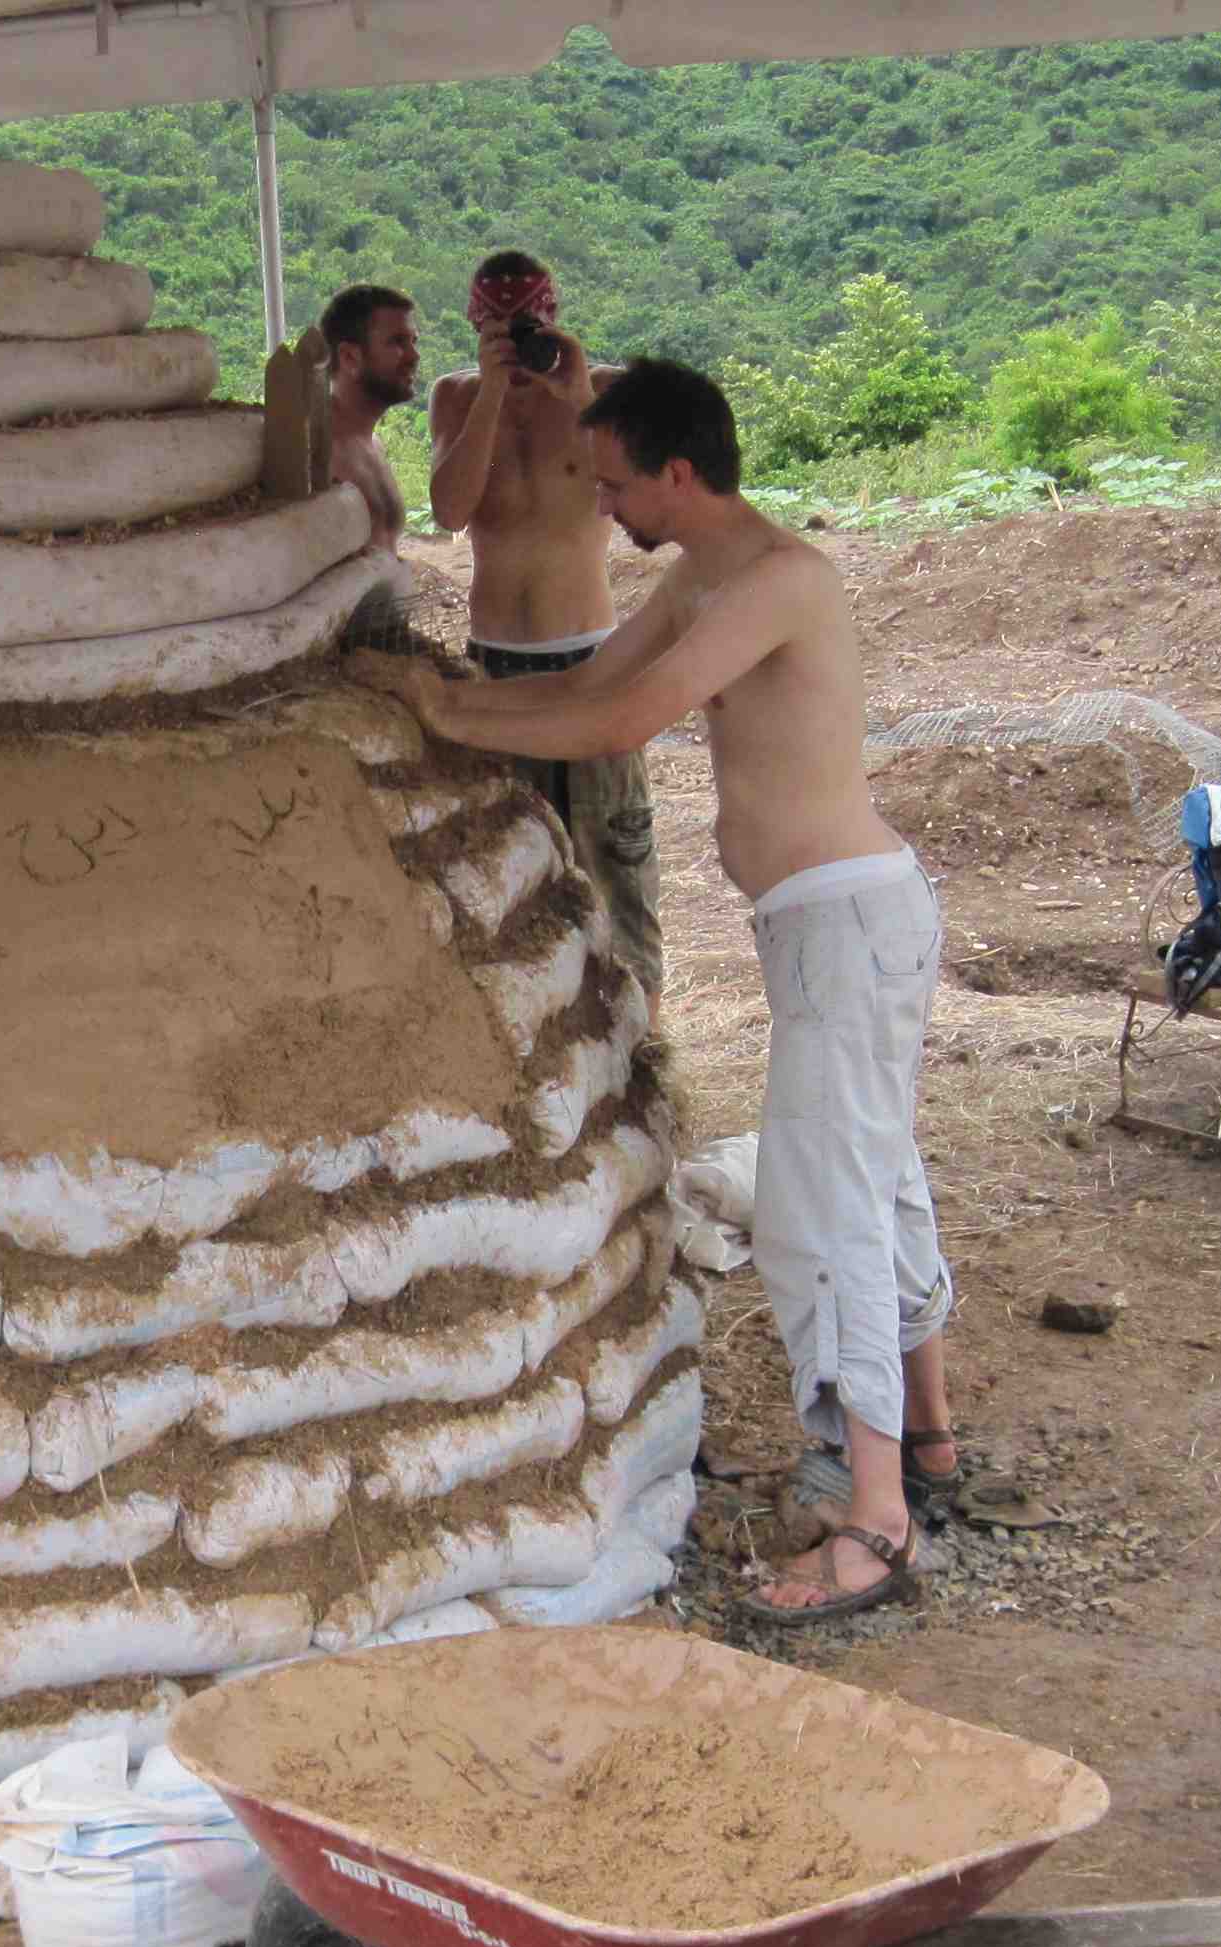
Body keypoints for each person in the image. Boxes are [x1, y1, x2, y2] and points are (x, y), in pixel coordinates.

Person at [352, 358, 962, 1624]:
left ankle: (879, 1523)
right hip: (827, 928)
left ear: (680, 473)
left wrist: (450, 721)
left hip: (849, 927)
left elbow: (622, 719)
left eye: (619, 482)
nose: (608, 506)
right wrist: (456, 695)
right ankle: (932, 1445)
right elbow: (579, 682)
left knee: (820, 1212)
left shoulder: (782, 581)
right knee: (878, 1177)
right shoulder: (701, 575)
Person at [428, 251, 664, 1013]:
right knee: (506, 869)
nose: (522, 340)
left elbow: (650, 486)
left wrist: (575, 392)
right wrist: (493, 390)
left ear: (556, 316)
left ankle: (643, 1046)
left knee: (616, 873)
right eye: (502, 329)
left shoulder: (602, 394)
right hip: (498, 668)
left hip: (590, 660)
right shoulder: (457, 399)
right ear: (473, 326)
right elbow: (449, 510)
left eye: (531, 324)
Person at [318, 283, 419, 554]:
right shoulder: (314, 448)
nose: (414, 356)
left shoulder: (372, 443)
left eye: (413, 341)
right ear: (350, 357)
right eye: (398, 342)